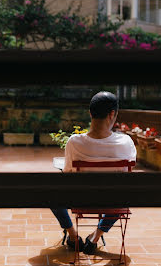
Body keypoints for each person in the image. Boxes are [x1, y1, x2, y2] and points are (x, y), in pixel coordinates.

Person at [51, 91, 137, 255]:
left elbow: (68, 174)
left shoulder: (74, 142)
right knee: (123, 196)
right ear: (112, 114)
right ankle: (95, 237)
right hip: (113, 202)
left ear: (90, 113)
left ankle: (73, 236)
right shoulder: (126, 142)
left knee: (51, 194)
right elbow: (128, 176)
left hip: (80, 200)